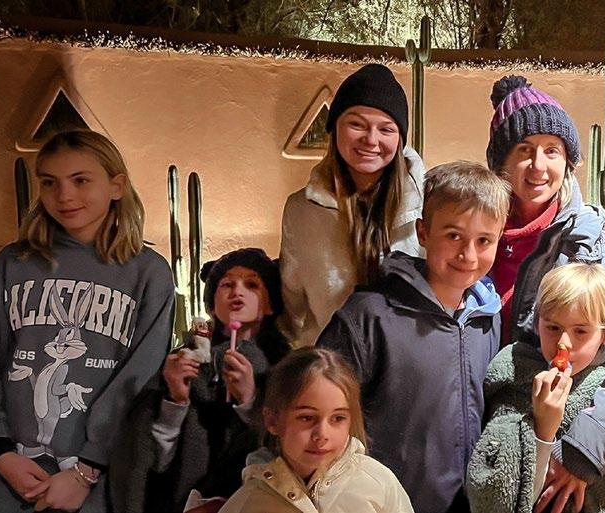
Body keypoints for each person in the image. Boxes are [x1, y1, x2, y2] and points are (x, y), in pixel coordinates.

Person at [485, 75, 605, 512]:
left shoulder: (592, 239)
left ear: (568, 160)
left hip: (564, 445)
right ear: (500, 160)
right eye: (523, 149)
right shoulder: (477, 232)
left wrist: (585, 448)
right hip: (491, 432)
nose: (538, 166)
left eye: (552, 150)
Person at [0, 130, 174, 512]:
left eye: (81, 180)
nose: (64, 195)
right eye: (49, 182)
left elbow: (140, 378)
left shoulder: (149, 274)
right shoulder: (12, 264)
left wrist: (86, 471)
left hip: (98, 479)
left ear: (116, 185)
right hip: (5, 472)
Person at [317, 161, 511, 513]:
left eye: (484, 240)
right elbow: (320, 410)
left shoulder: (488, 317)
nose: (468, 255)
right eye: (453, 236)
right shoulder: (370, 315)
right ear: (423, 232)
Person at [467, 263, 605, 513]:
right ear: (537, 324)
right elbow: (494, 496)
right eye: (553, 328)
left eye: (580, 331)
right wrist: (543, 430)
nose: (563, 344)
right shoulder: (514, 376)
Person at [109, 248, 290, 513]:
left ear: (271, 303)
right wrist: (176, 401)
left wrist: (250, 401)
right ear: (211, 304)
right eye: (227, 284)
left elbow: (288, 450)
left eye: (252, 285)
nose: (237, 292)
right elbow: (151, 464)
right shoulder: (185, 362)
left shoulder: (285, 369)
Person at [280, 63, 425, 348]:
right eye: (356, 124)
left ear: (399, 139)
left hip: (406, 362)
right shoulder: (301, 210)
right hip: (330, 362)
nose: (371, 139)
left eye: (386, 129)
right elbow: (293, 304)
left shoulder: (428, 201)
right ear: (334, 128)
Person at [218, 347, 413, 513]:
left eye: (338, 418)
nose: (322, 435)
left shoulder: (378, 483)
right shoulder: (248, 503)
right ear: (273, 421)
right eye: (307, 418)